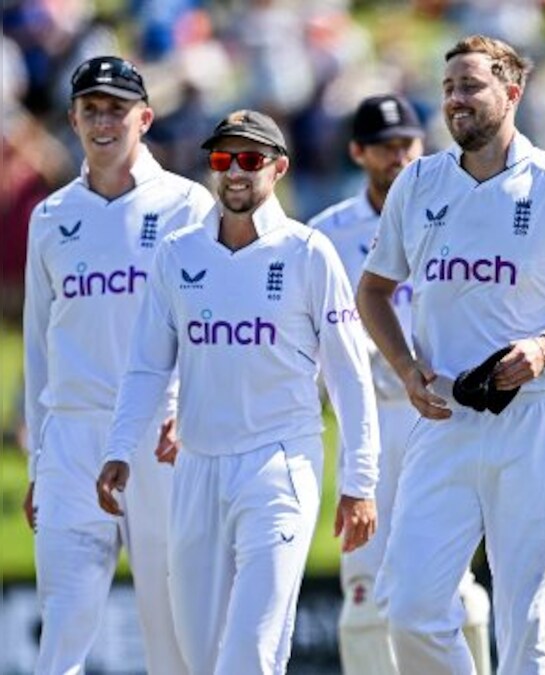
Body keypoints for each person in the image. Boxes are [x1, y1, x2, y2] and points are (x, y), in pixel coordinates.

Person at [356, 35, 545, 673]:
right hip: (443, 419)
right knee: (408, 610)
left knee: (530, 634)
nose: (456, 99)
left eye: (472, 85)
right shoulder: (419, 182)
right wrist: (406, 369)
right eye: (449, 86)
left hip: (536, 420)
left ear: (512, 93)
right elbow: (373, 291)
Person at [96, 108, 381, 674]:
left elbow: (349, 373)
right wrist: (118, 447)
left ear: (279, 169)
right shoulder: (178, 253)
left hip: (279, 463)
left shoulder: (307, 252)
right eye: (223, 159)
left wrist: (360, 481)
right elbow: (148, 367)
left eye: (250, 160)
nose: (233, 173)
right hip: (198, 467)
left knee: (249, 652)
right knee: (200, 657)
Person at [22, 55, 213, 675]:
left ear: (145, 117)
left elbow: (205, 326)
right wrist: (38, 462)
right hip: (74, 437)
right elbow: (38, 346)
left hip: (157, 435)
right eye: (91, 110)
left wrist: (185, 404)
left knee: (172, 628)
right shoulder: (51, 219)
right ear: (73, 120)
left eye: (117, 110)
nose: (104, 122)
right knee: (65, 626)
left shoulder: (187, 205)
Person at [308, 93, 493, 675]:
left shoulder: (458, 212)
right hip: (371, 414)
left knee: (452, 577)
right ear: (358, 151)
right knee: (365, 583)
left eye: (407, 144)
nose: (398, 157)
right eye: (385, 147)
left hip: (442, 412)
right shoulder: (327, 234)